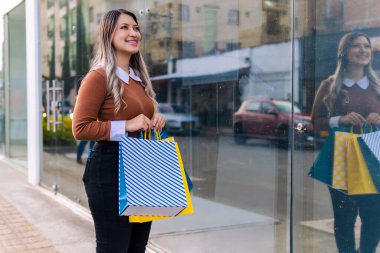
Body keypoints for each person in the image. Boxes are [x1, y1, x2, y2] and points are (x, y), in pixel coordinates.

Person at [72, 9, 165, 253]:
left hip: (142, 167)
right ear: (108, 34)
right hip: (110, 171)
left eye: (135, 28)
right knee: (114, 248)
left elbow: (135, 113)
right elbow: (80, 128)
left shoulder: (137, 78)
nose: (133, 33)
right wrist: (127, 125)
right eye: (124, 28)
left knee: (137, 248)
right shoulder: (98, 76)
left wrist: (154, 118)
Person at [311, 32, 380, 253]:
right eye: (356, 46)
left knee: (375, 217)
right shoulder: (330, 85)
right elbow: (316, 122)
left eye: (366, 46)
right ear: (344, 52)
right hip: (342, 157)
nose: (363, 50)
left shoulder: (378, 84)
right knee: (344, 219)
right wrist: (340, 119)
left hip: (374, 157)